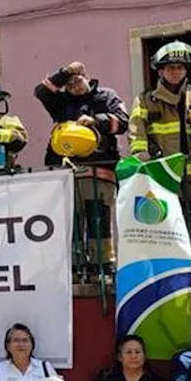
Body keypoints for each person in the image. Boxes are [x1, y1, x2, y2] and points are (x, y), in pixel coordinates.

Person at [35, 61, 129, 274]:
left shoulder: (106, 96)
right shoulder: (61, 102)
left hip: (100, 170)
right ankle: (76, 268)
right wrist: (65, 72)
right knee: (73, 224)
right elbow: (41, 91)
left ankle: (103, 267)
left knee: (99, 220)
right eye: (69, 84)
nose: (75, 87)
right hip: (68, 174)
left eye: (78, 81)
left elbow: (123, 121)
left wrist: (96, 121)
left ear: (87, 77)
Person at [129, 41, 191, 258]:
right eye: (170, 68)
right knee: (164, 218)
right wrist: (140, 151)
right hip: (162, 169)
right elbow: (136, 127)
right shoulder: (145, 100)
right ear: (160, 71)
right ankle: (170, 262)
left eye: (180, 67)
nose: (175, 72)